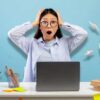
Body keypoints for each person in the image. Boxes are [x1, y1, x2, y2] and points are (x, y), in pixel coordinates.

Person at [8, 8, 88, 82]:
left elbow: (83, 34)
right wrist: (34, 23)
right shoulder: (31, 44)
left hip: (62, 89)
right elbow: (12, 34)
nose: (49, 26)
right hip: (36, 91)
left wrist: (62, 24)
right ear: (40, 26)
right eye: (44, 22)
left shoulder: (66, 43)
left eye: (53, 22)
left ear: (57, 27)